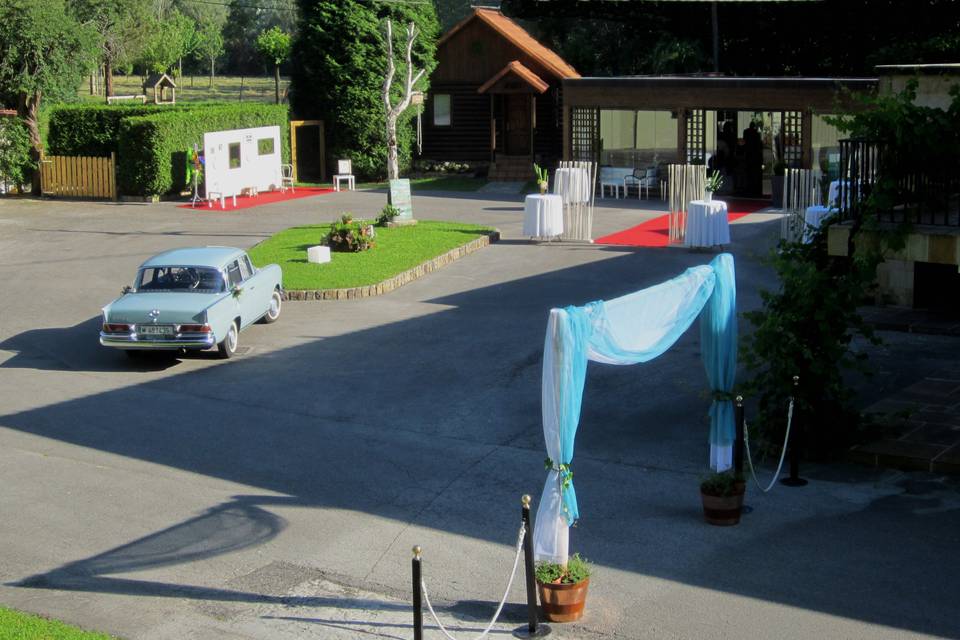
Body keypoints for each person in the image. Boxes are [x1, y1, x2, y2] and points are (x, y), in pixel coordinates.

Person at [743, 121, 763, 197]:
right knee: (753, 173)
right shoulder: (756, 134)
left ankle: (750, 188)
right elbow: (759, 144)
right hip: (754, 155)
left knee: (750, 173)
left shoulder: (747, 132)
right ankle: (753, 188)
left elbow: (745, 142)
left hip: (750, 155)